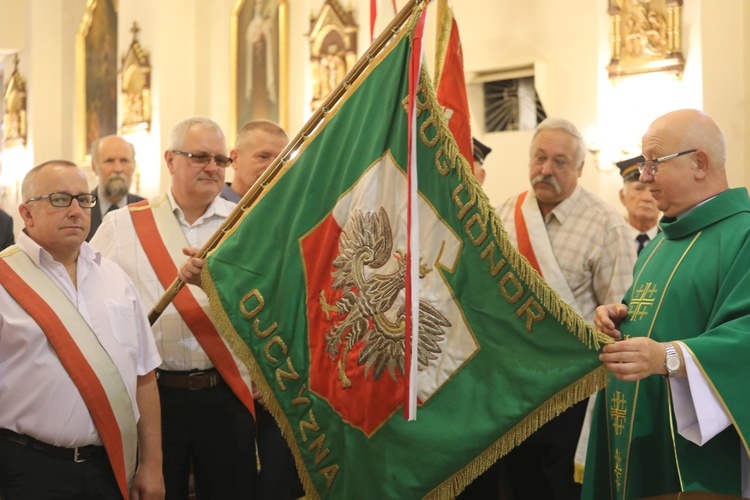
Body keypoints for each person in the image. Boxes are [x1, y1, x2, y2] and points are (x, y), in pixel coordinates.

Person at [585, 109, 750, 499]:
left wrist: (669, 358)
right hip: (640, 429)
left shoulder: (743, 234)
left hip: (701, 457)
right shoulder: (660, 243)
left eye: (653, 163)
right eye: (643, 164)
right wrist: (617, 316)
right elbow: (655, 313)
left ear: (700, 163)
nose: (643, 176)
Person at [91, 117, 257, 499]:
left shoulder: (244, 226)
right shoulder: (122, 226)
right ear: (170, 160)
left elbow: (267, 307)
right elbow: (88, 303)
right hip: (154, 399)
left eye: (220, 159)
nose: (212, 167)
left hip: (225, 393)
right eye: (199, 156)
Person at [0, 160, 163, 499]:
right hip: (25, 470)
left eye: (84, 199)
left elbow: (144, 376)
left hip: (109, 467)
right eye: (60, 199)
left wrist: (152, 465)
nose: (76, 210)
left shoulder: (116, 278)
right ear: (27, 213)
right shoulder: (5, 281)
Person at [495, 117, 636, 499]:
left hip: (569, 394)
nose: (546, 169)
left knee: (560, 491)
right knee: (512, 487)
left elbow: (621, 312)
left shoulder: (607, 225)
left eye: (559, 162)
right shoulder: (503, 214)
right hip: (510, 387)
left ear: (579, 169)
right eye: (539, 158)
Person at [220, 120, 304, 500]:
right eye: (263, 156)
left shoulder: (291, 215)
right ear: (234, 159)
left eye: (281, 157)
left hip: (283, 376)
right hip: (224, 386)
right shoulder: (211, 216)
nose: (273, 165)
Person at [87, 134, 145, 241]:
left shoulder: (147, 211)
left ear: (133, 166)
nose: (118, 169)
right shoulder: (81, 209)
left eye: (124, 161)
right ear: (94, 167)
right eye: (109, 161)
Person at [221, 119, 289, 203]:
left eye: (281, 159)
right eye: (263, 157)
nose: (273, 167)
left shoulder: (287, 208)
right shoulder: (207, 207)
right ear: (235, 159)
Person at [616, 154, 660, 255]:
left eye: (654, 190)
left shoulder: (671, 243)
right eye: (639, 189)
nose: (647, 198)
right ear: (623, 196)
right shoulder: (610, 240)